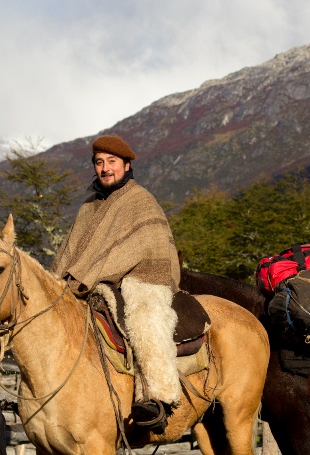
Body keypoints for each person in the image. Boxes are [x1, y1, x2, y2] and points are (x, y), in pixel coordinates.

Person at [51, 134, 180, 433]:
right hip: (95, 282)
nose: (105, 168)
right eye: (99, 163)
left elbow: (147, 246)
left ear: (126, 164)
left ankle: (157, 397)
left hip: (144, 276)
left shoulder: (140, 200)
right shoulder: (88, 207)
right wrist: (57, 282)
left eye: (112, 162)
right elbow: (71, 251)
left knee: (143, 315)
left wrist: (97, 272)